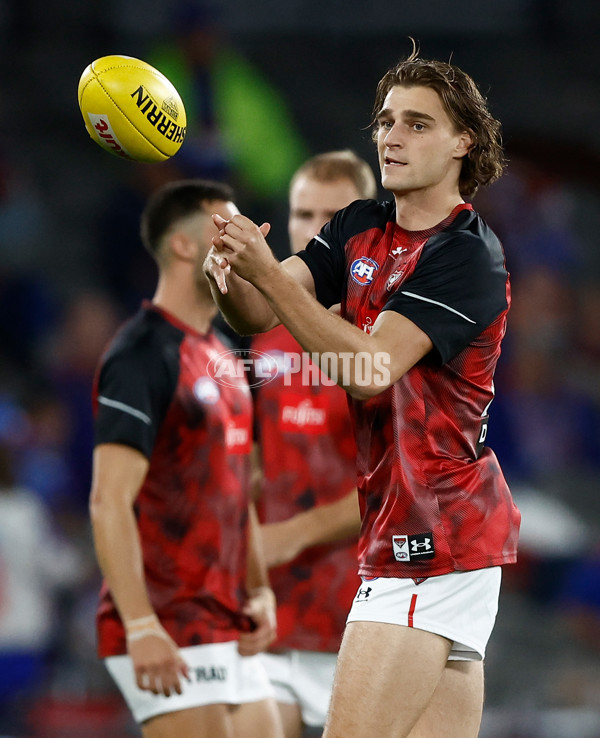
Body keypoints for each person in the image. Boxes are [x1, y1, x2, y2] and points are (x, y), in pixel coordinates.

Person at [204, 42, 521, 738]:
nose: (392, 137)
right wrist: (232, 276)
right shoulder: (357, 227)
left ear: (463, 142)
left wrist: (266, 273)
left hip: (429, 538)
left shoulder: (466, 251)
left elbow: (372, 368)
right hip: (433, 535)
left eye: (416, 123)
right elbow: (261, 315)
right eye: (385, 121)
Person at [89, 179, 283, 738]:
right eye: (225, 225)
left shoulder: (224, 355)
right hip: (169, 620)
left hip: (227, 618)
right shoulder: (140, 353)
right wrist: (141, 624)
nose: (240, 236)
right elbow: (108, 501)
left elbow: (236, 489)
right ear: (181, 246)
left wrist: (260, 588)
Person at [251, 151, 377, 737]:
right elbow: (260, 449)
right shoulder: (263, 332)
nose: (316, 230)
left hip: (365, 619)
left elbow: (403, 481)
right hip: (273, 615)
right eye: (304, 214)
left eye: (336, 215)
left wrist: (288, 535)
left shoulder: (390, 337)